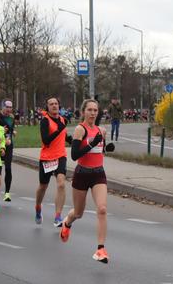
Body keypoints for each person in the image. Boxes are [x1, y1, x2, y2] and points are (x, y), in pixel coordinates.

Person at [59, 99, 115, 264]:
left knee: (102, 209)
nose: (92, 113)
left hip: (98, 173)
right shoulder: (79, 130)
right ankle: (67, 223)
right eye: (89, 110)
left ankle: (100, 249)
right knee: (78, 213)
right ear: (83, 112)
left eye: (95, 110)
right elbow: (75, 155)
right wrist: (92, 144)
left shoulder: (101, 131)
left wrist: (107, 148)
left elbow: (101, 149)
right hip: (82, 174)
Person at [35, 96, 72, 226]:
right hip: (47, 158)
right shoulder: (45, 121)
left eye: (56, 103)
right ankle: (38, 206)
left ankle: (58, 216)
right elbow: (46, 140)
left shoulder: (62, 120)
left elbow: (64, 135)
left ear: (59, 105)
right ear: (47, 107)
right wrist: (59, 129)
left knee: (61, 184)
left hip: (60, 156)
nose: (54, 106)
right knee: (43, 186)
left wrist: (74, 142)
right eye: (51, 104)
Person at [0, 99, 16, 201]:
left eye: (10, 107)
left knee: (8, 168)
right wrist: (3, 137)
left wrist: (12, 131)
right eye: (7, 107)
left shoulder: (11, 118)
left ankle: (7, 193)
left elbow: (9, 129)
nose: (9, 109)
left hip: (9, 145)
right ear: (2, 107)